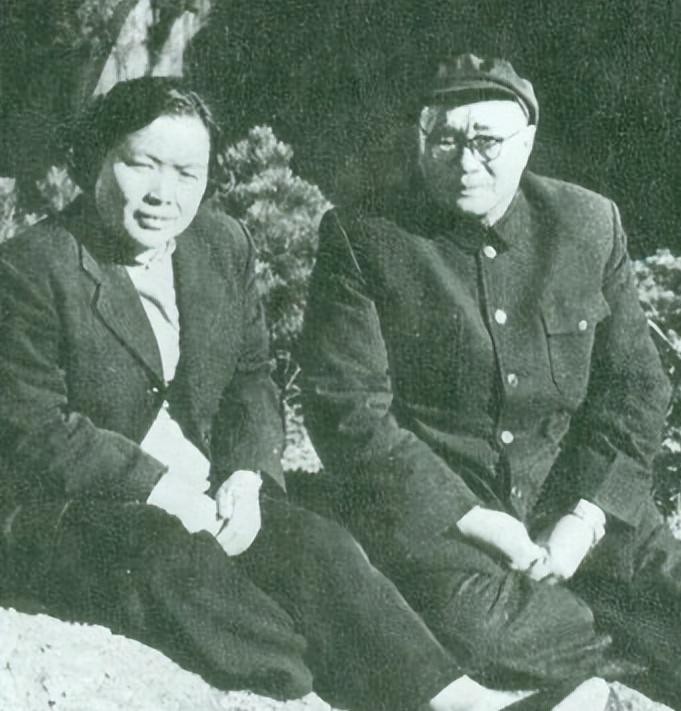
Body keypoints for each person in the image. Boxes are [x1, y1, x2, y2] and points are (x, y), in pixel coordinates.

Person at [298, 54, 681, 711]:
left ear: (526, 142)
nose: (466, 161)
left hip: (577, 502)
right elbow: (349, 410)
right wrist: (481, 523)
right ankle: (652, 649)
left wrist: (584, 519)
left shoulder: (588, 224)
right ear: (420, 140)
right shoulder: (364, 237)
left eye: (487, 141)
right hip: (448, 515)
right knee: (484, 635)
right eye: (445, 139)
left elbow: (637, 389)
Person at [0, 76, 543, 711]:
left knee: (318, 544)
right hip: (68, 508)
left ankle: (457, 700)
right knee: (175, 563)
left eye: (186, 173)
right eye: (141, 164)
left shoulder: (220, 244)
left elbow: (250, 377)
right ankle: (313, 689)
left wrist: (246, 474)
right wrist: (163, 489)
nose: (162, 194)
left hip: (202, 488)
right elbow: (36, 426)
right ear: (98, 158)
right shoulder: (29, 268)